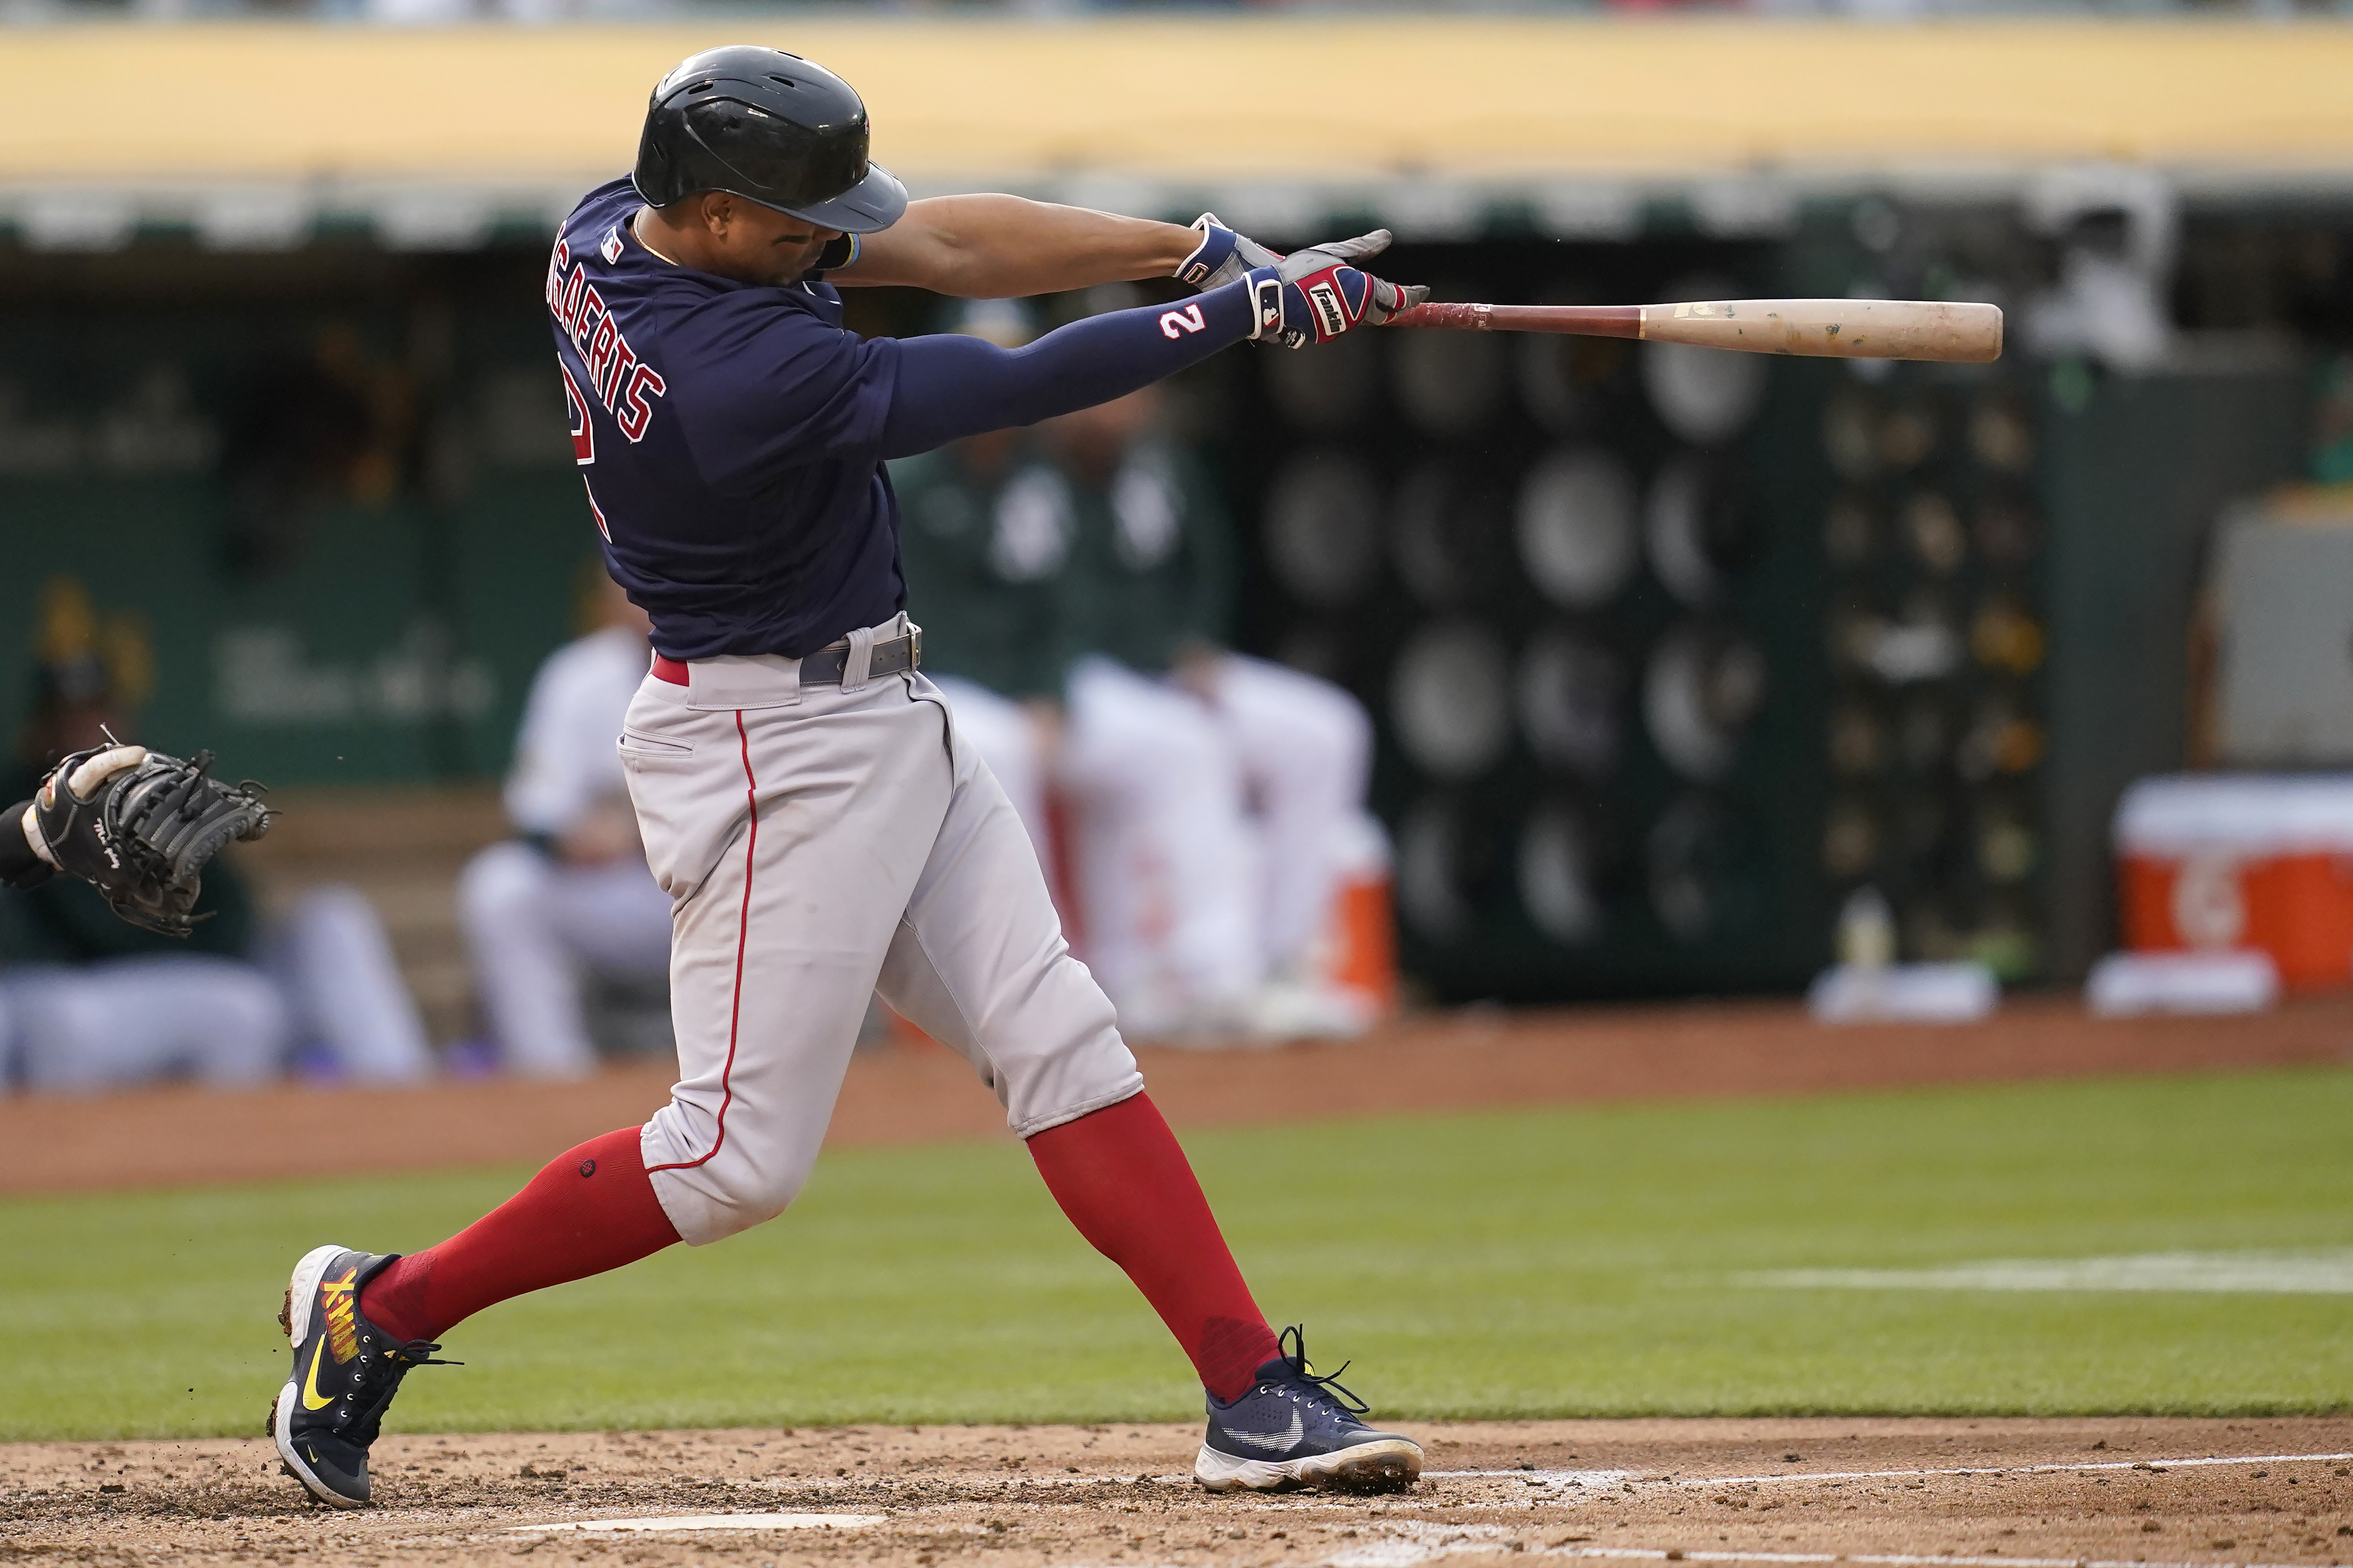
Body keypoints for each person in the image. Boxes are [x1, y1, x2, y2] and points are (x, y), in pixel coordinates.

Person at [265, 45, 1428, 1511]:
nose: (831, 237)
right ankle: (377, 1312)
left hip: (880, 712)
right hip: (772, 750)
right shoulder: (734, 376)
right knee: (730, 1162)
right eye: (798, 219)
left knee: (1061, 1041)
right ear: (713, 210)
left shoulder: (611, 219)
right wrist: (1235, 313)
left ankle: (1250, 1392)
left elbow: (937, 240)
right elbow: (1018, 379)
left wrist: (1191, 246)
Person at [0, 653, 430, 1092]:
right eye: (72, 718)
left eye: (99, 713)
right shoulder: (22, 808)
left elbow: (232, 904)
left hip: (197, 974)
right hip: (87, 990)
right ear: (42, 729)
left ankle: (404, 1096)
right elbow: (48, 933)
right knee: (236, 1011)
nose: (89, 731)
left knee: (332, 917)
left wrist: (203, 942)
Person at [458, 571, 676, 1077]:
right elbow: (537, 819)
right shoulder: (579, 675)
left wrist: (638, 828)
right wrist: (577, 838)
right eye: (628, 580)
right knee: (502, 886)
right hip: (637, 895)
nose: (642, 597)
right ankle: (556, 1083)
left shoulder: (746, 664)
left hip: (733, 889)